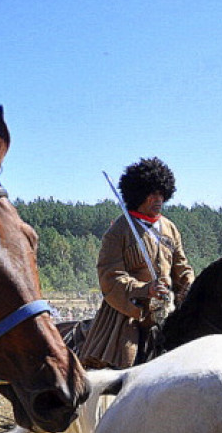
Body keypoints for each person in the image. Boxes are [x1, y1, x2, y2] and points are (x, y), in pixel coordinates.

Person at [80, 157, 195, 370]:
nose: (158, 199)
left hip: (166, 309)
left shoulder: (170, 228)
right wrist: (146, 289)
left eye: (161, 193)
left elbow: (182, 268)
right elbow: (109, 277)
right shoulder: (119, 230)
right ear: (138, 195)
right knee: (123, 363)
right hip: (128, 313)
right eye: (152, 194)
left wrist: (190, 285)